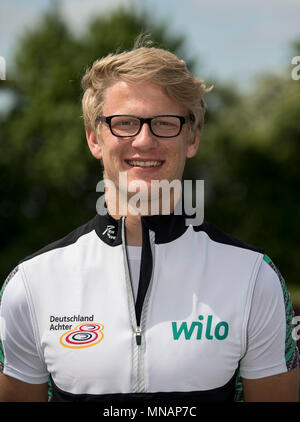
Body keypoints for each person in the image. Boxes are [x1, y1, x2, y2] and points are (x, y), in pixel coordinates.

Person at [0, 38, 299, 403]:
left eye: (164, 123)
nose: (144, 140)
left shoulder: (254, 277)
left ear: (193, 137)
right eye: (124, 123)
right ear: (95, 138)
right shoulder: (31, 284)